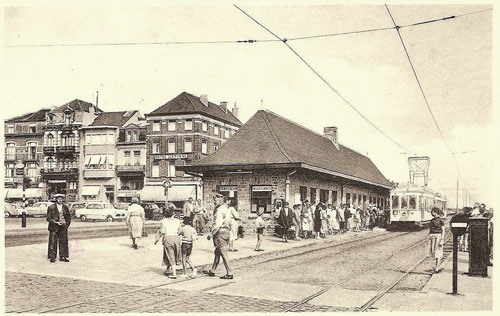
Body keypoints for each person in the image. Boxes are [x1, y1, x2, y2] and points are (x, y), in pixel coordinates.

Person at [204, 193, 233, 279]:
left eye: (215, 200)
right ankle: (212, 270)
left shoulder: (219, 211)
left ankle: (229, 273)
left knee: (224, 254)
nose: (214, 202)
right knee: (217, 252)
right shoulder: (227, 209)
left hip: (220, 233)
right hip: (226, 232)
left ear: (220, 201)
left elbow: (218, 224)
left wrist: (211, 234)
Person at [155, 206, 181, 279]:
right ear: (173, 214)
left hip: (168, 237)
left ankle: (174, 273)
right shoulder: (177, 221)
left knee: (169, 254)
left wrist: (157, 238)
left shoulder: (164, 221)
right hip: (176, 238)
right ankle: (168, 269)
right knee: (174, 254)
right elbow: (180, 230)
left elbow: (162, 231)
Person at [46, 194, 71, 263]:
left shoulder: (65, 207)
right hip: (54, 227)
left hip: (63, 227)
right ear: (56, 199)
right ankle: (52, 256)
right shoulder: (51, 207)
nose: (60, 200)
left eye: (61, 199)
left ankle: (63, 256)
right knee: (53, 242)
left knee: (63, 242)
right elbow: (48, 218)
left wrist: (66, 225)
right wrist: (55, 222)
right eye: (58, 199)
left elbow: (68, 217)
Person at [427, 207, 445, 273]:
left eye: (433, 212)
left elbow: (443, 230)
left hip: (438, 236)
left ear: (436, 212)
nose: (432, 213)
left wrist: (442, 240)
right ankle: (437, 266)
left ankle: (437, 268)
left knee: (438, 252)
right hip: (432, 236)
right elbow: (430, 229)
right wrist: (428, 235)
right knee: (434, 252)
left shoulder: (441, 220)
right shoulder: (432, 220)